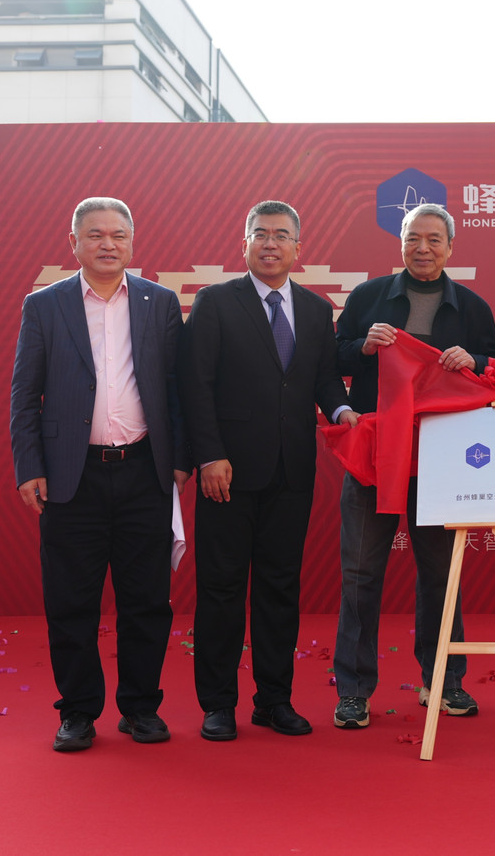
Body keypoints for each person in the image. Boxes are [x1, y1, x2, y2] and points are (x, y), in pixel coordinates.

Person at [10, 197, 188, 752]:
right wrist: (29, 466)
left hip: (144, 471)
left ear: (132, 242)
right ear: (74, 243)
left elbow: (177, 388)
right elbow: (24, 393)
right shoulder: (44, 306)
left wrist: (180, 459)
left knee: (147, 601)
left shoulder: (160, 302)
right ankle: (78, 711)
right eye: (95, 235)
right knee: (71, 601)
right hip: (72, 476)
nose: (107, 244)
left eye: (118, 234)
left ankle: (141, 708)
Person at [178, 200, 359, 742]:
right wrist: (209, 455)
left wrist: (341, 410)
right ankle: (217, 704)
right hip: (226, 473)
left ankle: (274, 701)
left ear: (298, 248)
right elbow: (195, 385)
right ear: (245, 245)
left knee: (280, 589)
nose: (271, 243)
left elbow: (324, 378)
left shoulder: (315, 309)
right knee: (221, 589)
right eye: (261, 234)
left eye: (281, 235)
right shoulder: (215, 302)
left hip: (291, 470)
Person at [331, 203, 495, 729]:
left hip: (443, 458)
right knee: (360, 572)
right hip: (376, 454)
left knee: (440, 574)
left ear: (450, 247)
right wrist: (364, 347)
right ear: (400, 242)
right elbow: (332, 358)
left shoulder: (472, 307)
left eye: (433, 240)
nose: (422, 248)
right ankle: (353, 690)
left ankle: (444, 681)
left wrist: (475, 361)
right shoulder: (368, 298)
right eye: (413, 238)